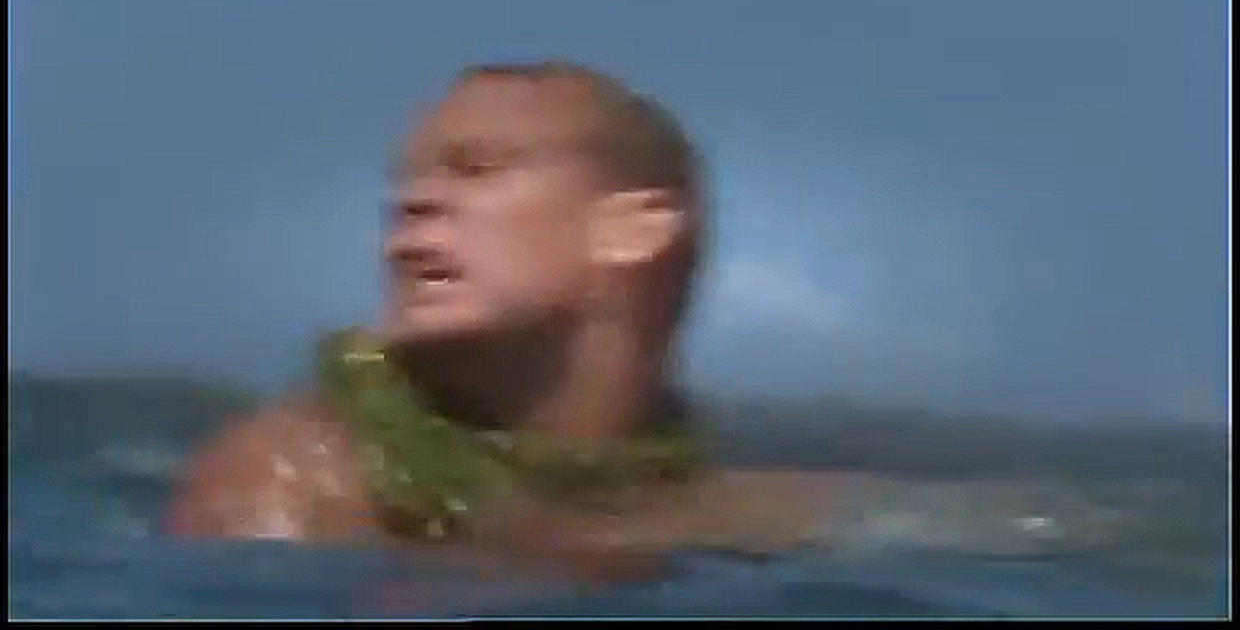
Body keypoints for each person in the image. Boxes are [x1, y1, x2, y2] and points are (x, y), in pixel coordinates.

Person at [165, 60, 838, 589]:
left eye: (478, 168)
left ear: (632, 231)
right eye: (404, 182)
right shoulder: (298, 477)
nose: (412, 201)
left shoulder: (724, 506)